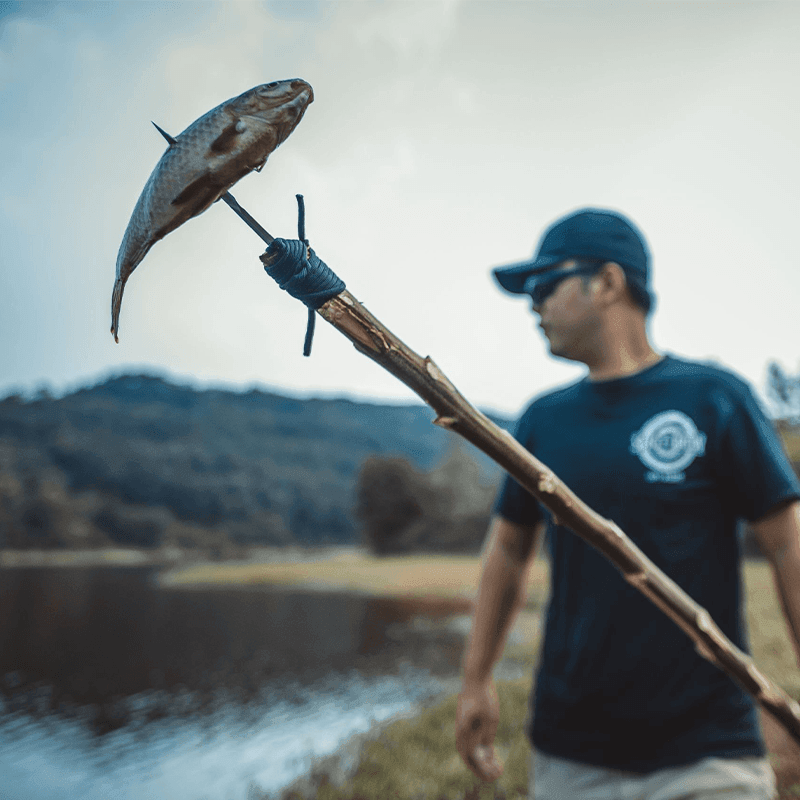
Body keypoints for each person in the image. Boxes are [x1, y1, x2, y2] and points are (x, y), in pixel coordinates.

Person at [455, 208, 800, 799]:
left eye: (545, 285)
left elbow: (787, 542)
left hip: (709, 750)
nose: (533, 306)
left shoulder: (715, 399)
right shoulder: (543, 420)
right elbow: (509, 550)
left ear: (609, 283)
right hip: (572, 753)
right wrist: (476, 678)